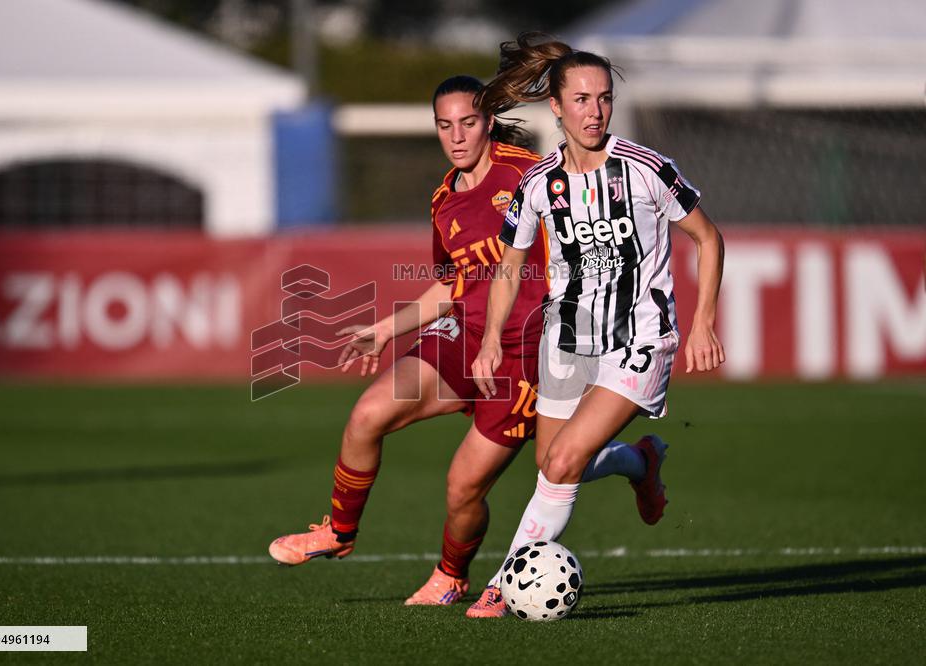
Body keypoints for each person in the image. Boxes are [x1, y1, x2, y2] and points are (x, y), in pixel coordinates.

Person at [268, 75, 551, 607]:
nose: (457, 137)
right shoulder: (444, 202)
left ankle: (450, 576)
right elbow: (452, 285)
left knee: (467, 486)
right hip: (464, 336)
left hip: (524, 352)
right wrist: (383, 330)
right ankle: (339, 532)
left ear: (489, 122)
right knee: (367, 415)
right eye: (445, 126)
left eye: (468, 123)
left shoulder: (530, 174)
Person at [470, 33, 726, 617]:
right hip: (567, 339)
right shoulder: (538, 183)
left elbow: (708, 238)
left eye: (604, 98)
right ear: (556, 107)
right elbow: (509, 266)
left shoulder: (647, 169)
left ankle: (505, 583)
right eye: (581, 100)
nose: (595, 111)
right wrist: (489, 342)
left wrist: (704, 322)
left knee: (563, 464)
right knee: (554, 463)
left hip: (641, 337)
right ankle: (640, 462)